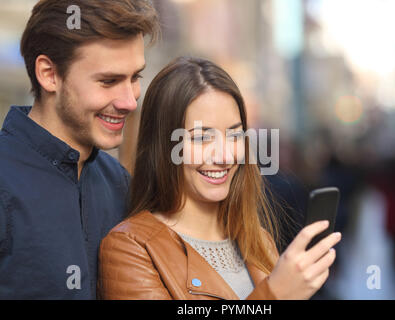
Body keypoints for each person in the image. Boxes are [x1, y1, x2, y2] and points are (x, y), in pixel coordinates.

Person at [98, 57, 342, 300]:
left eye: (235, 135)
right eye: (202, 137)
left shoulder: (258, 241)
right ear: (164, 146)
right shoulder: (131, 248)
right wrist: (276, 294)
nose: (224, 156)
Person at [0, 0, 159, 299]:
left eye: (135, 77)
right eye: (108, 81)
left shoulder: (119, 183)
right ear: (49, 74)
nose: (130, 101)